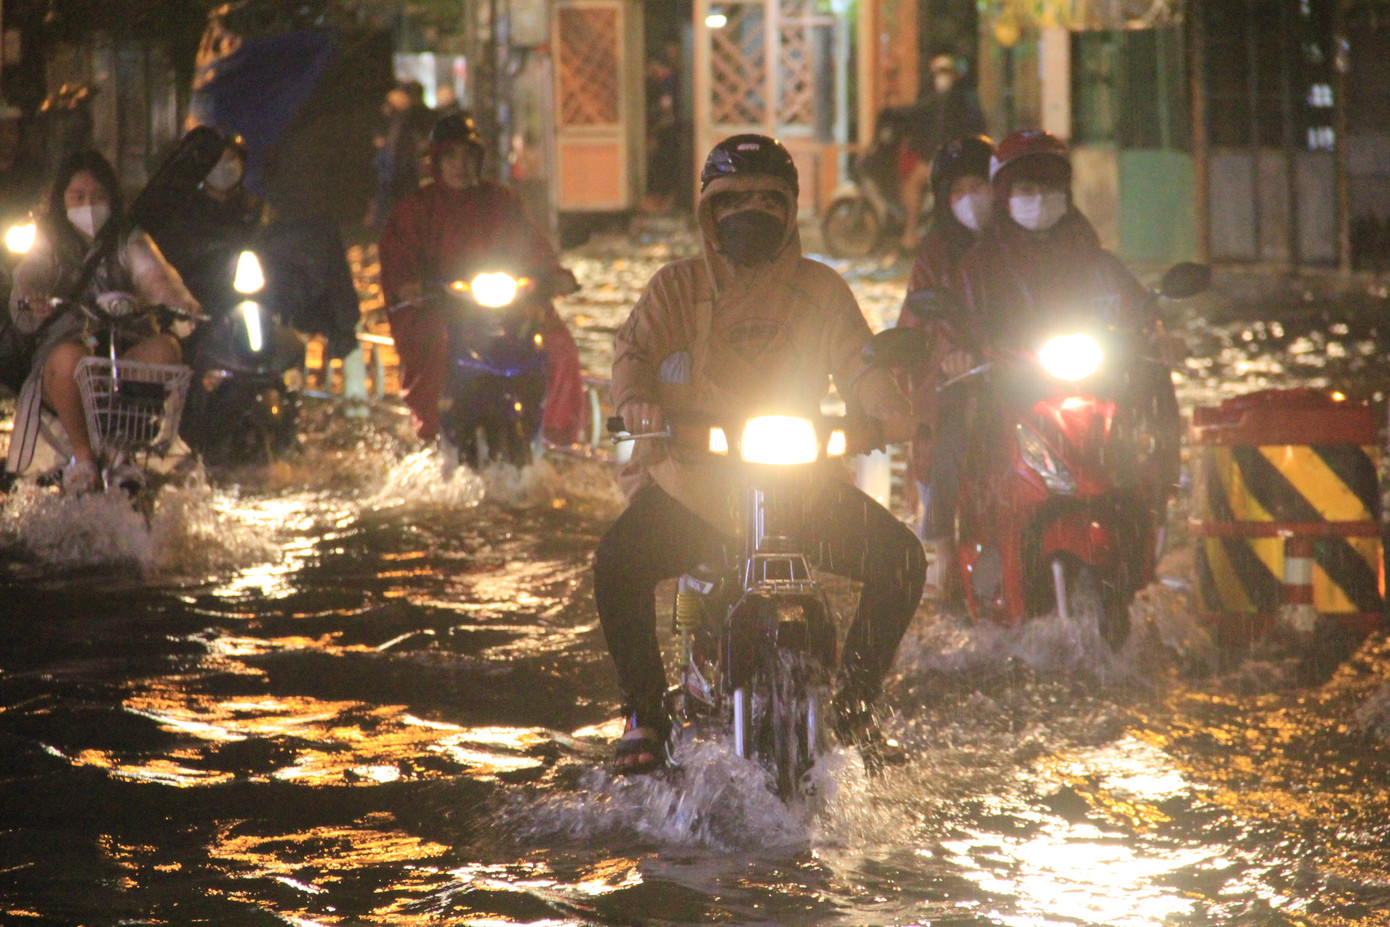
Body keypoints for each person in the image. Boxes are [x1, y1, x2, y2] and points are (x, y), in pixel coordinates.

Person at [595, 134, 926, 774]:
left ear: (790, 210)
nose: (752, 212)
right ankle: (643, 712)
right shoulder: (674, 288)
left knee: (904, 561)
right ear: (709, 213)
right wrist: (637, 402)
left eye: (768, 200)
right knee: (615, 564)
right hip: (697, 488)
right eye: (734, 199)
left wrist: (887, 408)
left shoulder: (823, 291)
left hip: (797, 488)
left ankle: (856, 710)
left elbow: (862, 365)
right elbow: (631, 355)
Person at [930, 128, 1180, 547]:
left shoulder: (1094, 258)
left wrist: (1159, 335)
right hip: (1009, 384)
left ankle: (1156, 503)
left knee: (1155, 382)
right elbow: (955, 323)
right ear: (1005, 194)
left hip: (1090, 381)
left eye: (1049, 187)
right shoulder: (979, 266)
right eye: (1026, 187)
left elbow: (1137, 308)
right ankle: (944, 546)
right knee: (956, 415)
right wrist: (957, 353)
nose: (1039, 198)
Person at [377, 112, 584, 445]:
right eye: (451, 156)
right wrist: (411, 285)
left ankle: (558, 436)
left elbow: (532, 246)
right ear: (436, 161)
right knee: (434, 345)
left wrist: (555, 276)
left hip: (509, 305)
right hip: (444, 307)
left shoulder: (501, 201)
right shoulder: (415, 209)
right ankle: (432, 431)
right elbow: (399, 261)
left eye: (468, 156)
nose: (461, 165)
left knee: (559, 345)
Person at [5, 149, 200, 492]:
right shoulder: (48, 240)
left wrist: (179, 304)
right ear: (61, 200)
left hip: (124, 351)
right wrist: (33, 300)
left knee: (166, 349)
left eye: (97, 197)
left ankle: (128, 447)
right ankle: (83, 459)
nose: (88, 206)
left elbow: (155, 278)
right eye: (78, 197)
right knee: (70, 361)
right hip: (66, 353)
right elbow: (30, 276)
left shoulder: (127, 238)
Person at [894, 135, 993, 561]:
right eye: (957, 191)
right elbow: (922, 321)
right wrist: (956, 354)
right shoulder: (936, 253)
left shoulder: (1028, 245)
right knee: (952, 436)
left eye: (979, 186)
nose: (970, 200)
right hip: (958, 381)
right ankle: (941, 546)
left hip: (1023, 369)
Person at [896, 54, 987, 253]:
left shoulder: (958, 100)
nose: (941, 77)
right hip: (948, 159)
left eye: (945, 72)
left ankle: (910, 234)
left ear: (955, 75)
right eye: (937, 72)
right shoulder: (939, 100)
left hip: (955, 162)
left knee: (913, 183)